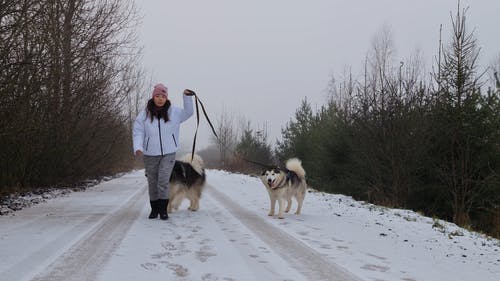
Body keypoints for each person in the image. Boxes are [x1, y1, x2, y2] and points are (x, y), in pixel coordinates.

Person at [133, 83, 194, 220]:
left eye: (163, 96)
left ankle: (164, 210)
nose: (160, 99)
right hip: (150, 154)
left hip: (169, 153)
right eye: (157, 96)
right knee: (152, 182)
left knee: (163, 181)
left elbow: (189, 112)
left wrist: (186, 97)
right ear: (153, 97)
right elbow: (138, 132)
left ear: (166, 98)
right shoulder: (144, 115)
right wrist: (138, 147)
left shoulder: (174, 112)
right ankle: (154, 210)